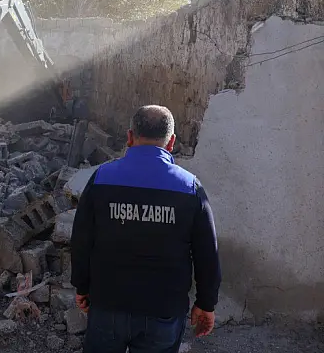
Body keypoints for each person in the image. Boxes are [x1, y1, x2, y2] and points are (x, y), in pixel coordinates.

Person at [70, 105, 221, 353]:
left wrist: (82, 287)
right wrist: (206, 303)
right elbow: (208, 253)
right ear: (171, 142)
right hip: (163, 311)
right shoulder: (190, 188)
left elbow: (82, 240)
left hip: (108, 305)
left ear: (130, 137)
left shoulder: (101, 178)